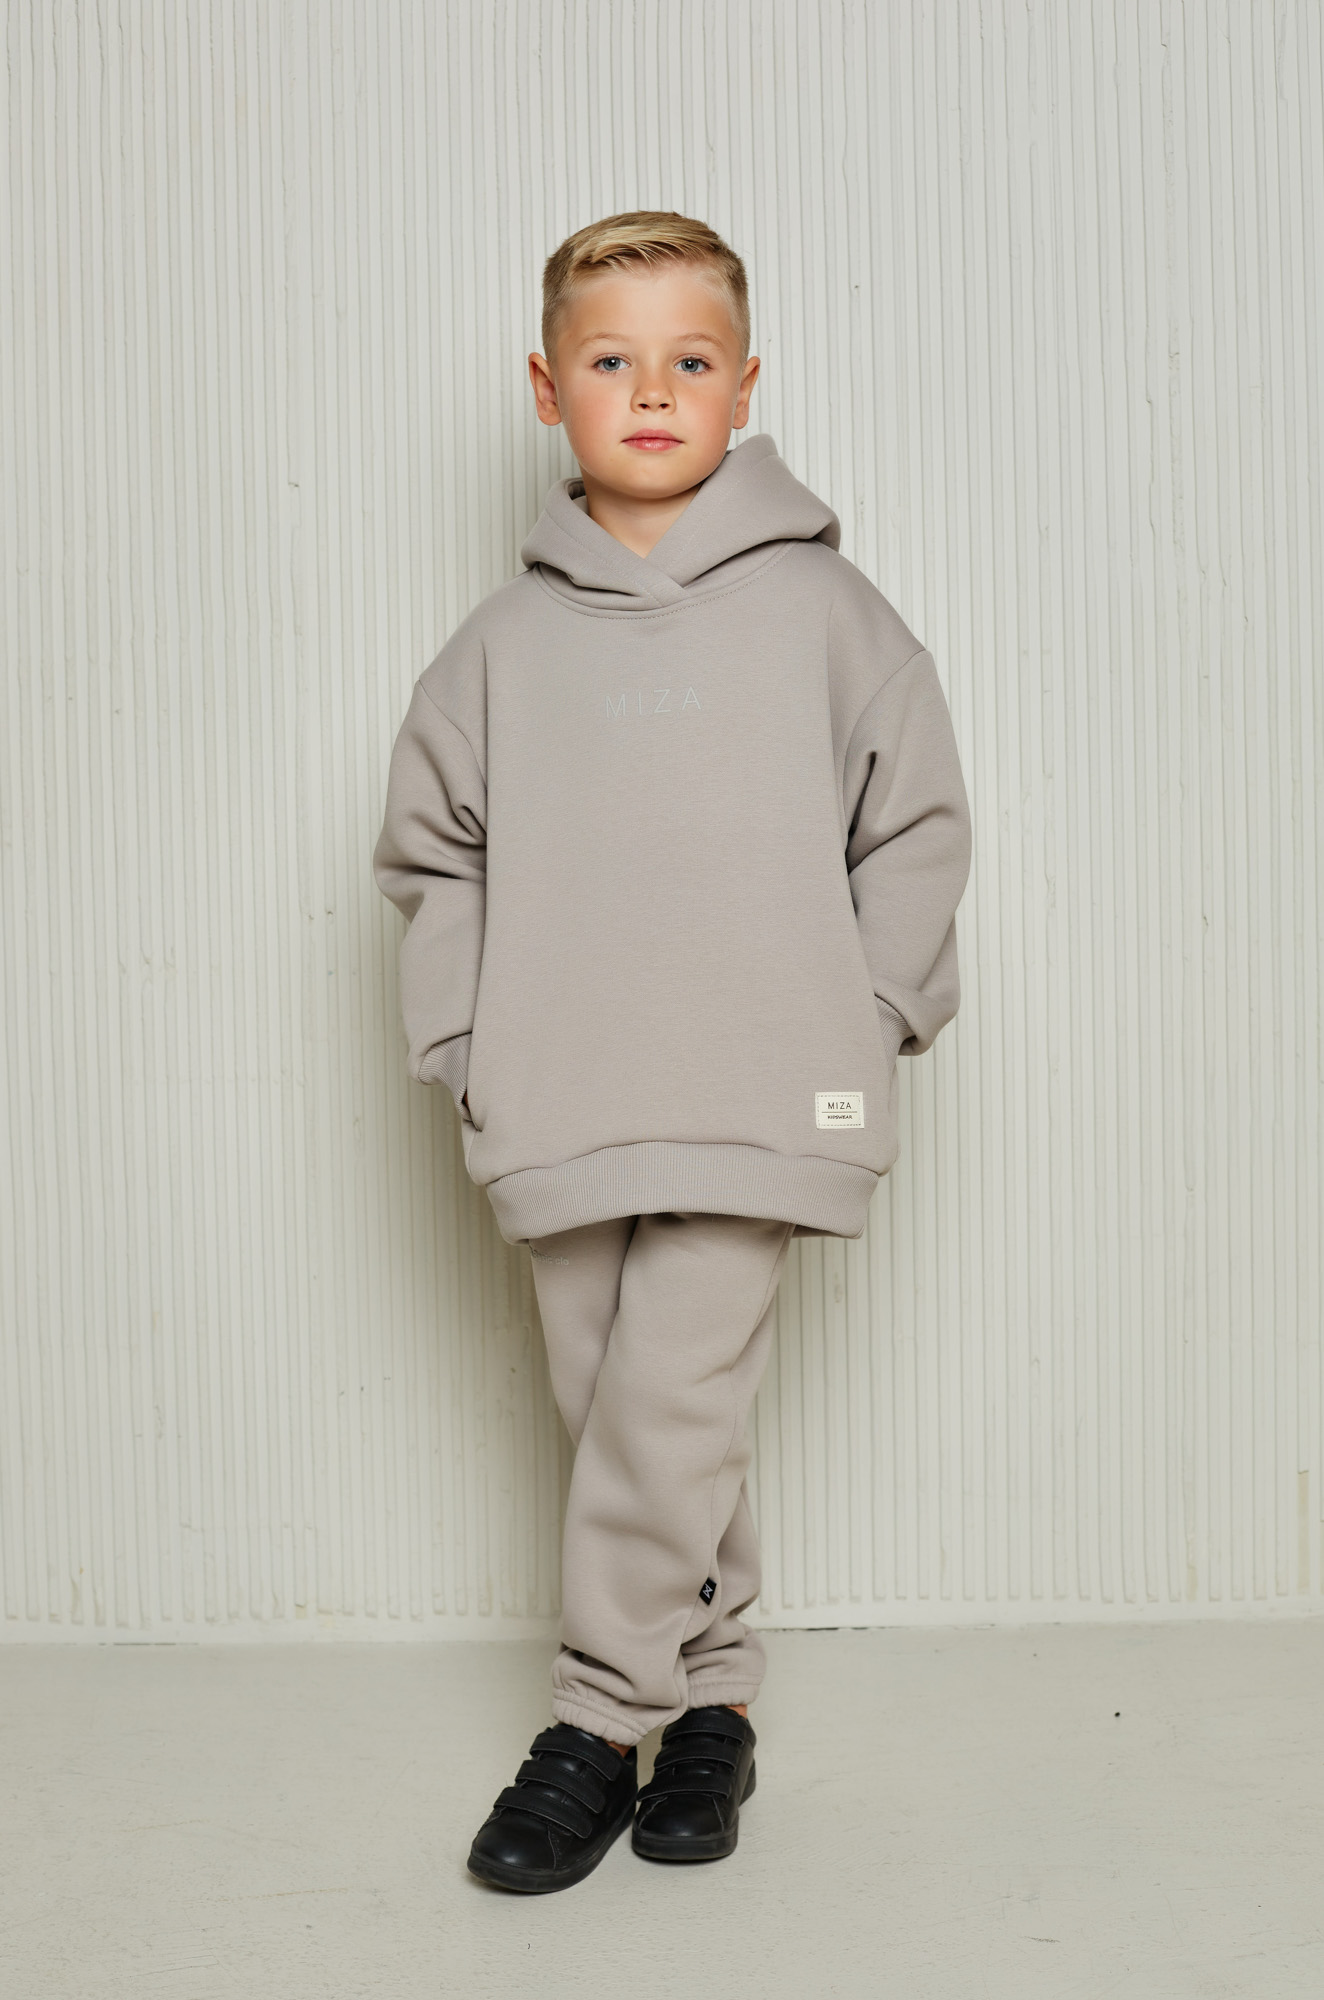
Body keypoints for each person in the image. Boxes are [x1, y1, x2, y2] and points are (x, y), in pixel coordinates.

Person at [372, 210, 972, 1894]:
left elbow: (917, 824)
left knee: (667, 1401)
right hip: (562, 1089)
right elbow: (431, 854)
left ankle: (594, 1722)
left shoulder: (830, 612)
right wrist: (465, 1039)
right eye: (611, 359)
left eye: (689, 359)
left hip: (764, 1085)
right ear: (546, 389)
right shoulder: (500, 645)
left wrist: (872, 1012)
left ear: (747, 385)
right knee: (630, 1417)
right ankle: (713, 1698)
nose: (652, 390)